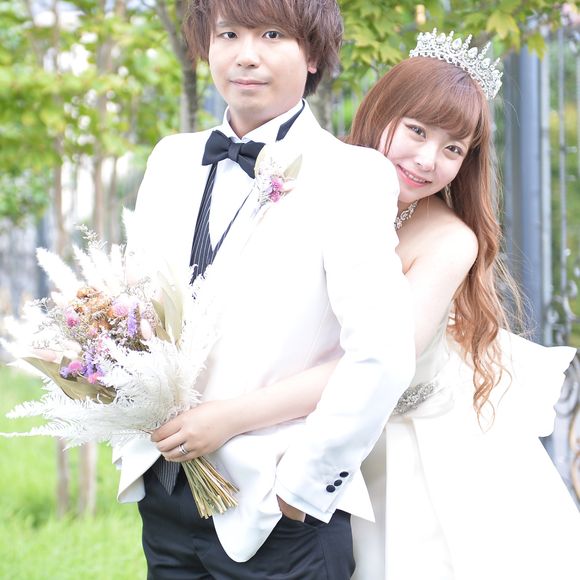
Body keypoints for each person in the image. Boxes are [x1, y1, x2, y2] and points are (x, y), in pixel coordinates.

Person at [158, 30, 580, 579]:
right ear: (383, 111)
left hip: (407, 455)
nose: (427, 160)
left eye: (453, 149)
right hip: (293, 435)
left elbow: (373, 360)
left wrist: (227, 419)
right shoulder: (319, 180)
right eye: (417, 130)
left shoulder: (449, 241)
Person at [114, 0, 416, 578]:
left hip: (278, 508)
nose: (246, 55)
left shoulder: (351, 175)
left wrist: (302, 490)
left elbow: (382, 353)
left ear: (312, 55)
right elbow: (137, 304)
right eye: (228, 34)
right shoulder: (171, 159)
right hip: (167, 493)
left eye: (272, 35)